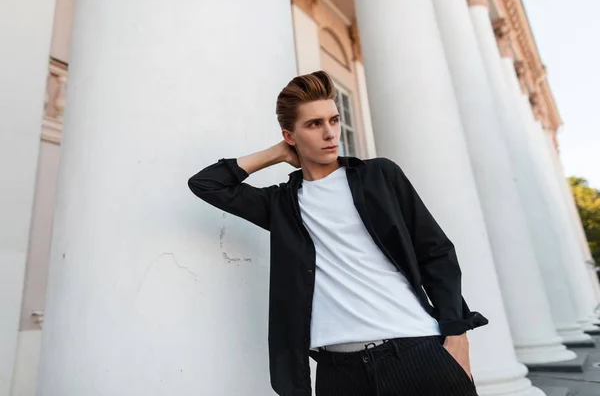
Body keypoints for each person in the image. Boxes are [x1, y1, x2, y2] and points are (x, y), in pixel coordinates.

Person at [188, 71, 488, 396]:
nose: (331, 133)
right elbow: (207, 184)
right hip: (339, 374)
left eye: (333, 120)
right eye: (314, 124)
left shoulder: (379, 176)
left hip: (417, 354)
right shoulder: (283, 205)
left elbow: (435, 252)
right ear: (290, 135)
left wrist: (457, 334)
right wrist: (276, 153)